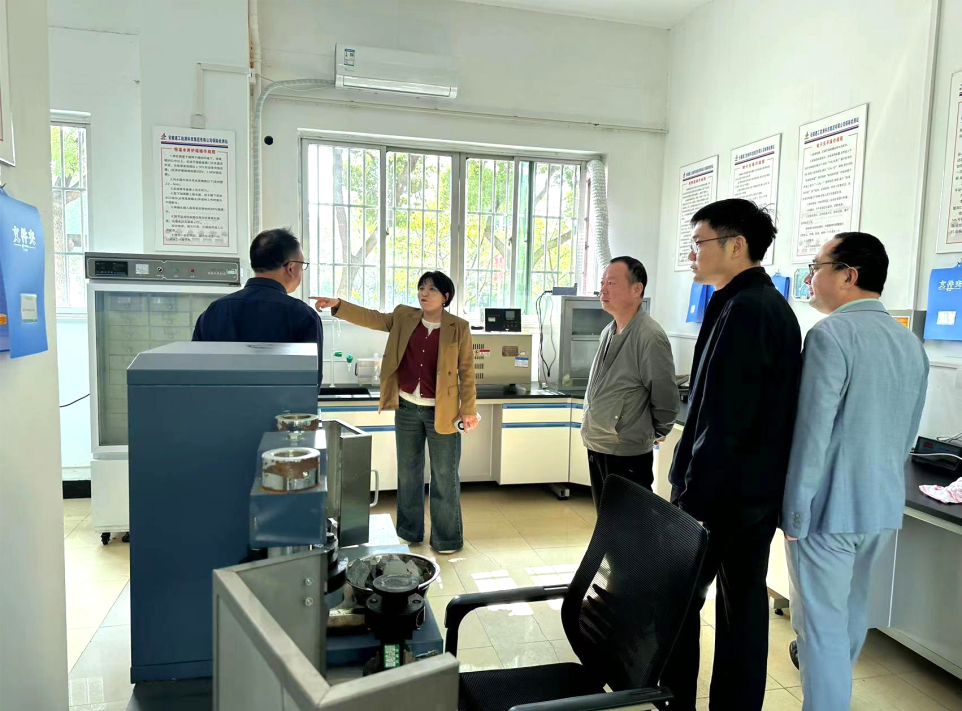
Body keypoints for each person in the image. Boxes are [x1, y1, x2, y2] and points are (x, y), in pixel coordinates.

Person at [660, 199, 802, 711]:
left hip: (725, 496)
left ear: (736, 245)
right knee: (741, 607)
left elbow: (725, 418)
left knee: (683, 601)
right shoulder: (750, 302)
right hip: (747, 493)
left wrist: (692, 498)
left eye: (698, 243)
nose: (691, 254)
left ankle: (675, 700)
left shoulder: (749, 310)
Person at [781, 233, 928, 710]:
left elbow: (812, 434)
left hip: (827, 513)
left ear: (848, 275)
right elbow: (907, 436)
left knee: (819, 629)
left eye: (816, 267)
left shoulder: (829, 335)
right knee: (849, 619)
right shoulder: (909, 343)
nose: (810, 277)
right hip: (881, 508)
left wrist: (794, 514)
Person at [313, 271, 477, 553]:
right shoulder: (404, 316)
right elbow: (373, 318)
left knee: (445, 476)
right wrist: (339, 305)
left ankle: (447, 538)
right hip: (407, 408)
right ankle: (409, 531)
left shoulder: (458, 327)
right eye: (421, 288)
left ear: (445, 296)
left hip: (444, 412)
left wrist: (468, 409)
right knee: (408, 473)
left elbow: (467, 371)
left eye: (432, 289)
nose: (424, 293)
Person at [581, 256, 679, 511]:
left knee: (630, 525)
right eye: (602, 283)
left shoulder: (649, 336)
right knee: (607, 520)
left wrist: (653, 432)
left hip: (625, 451)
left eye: (611, 283)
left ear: (637, 289)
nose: (603, 290)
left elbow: (666, 398)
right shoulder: (609, 330)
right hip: (598, 443)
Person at [192, 228, 323, 388]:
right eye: (302, 265)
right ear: (291, 268)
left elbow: (196, 371)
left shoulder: (213, 311)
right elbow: (311, 383)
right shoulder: (304, 316)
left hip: (219, 403)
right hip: (281, 405)